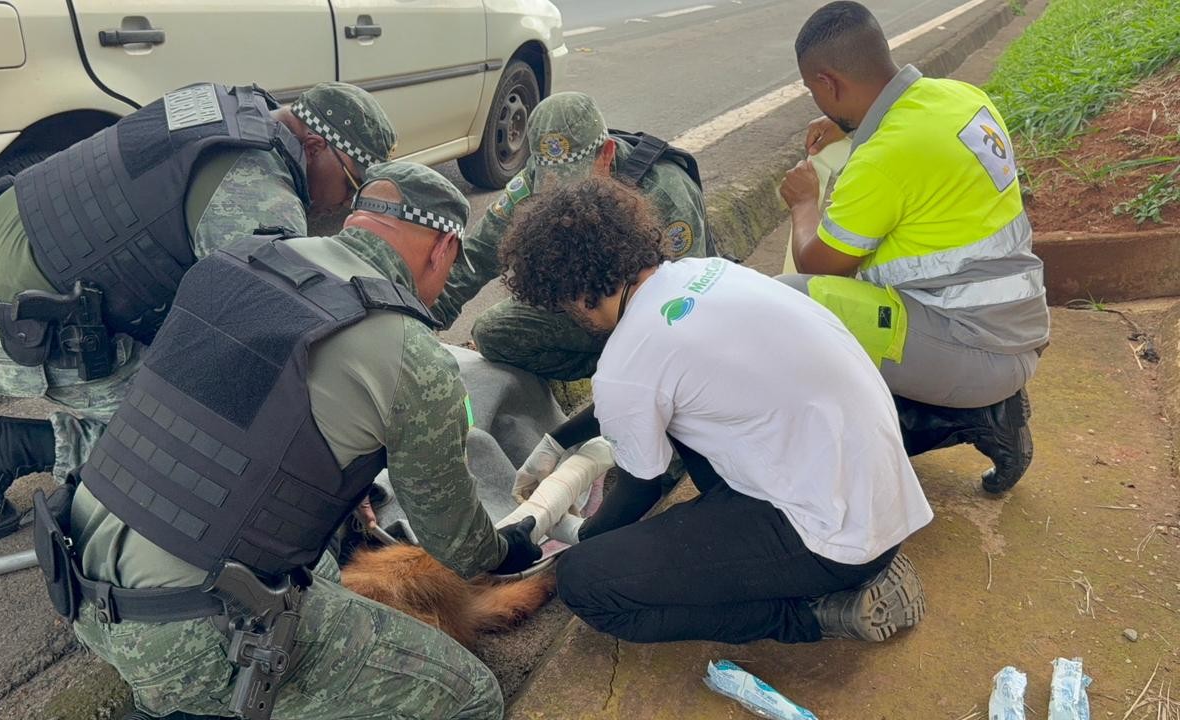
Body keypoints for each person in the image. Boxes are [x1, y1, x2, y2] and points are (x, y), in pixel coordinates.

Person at [35, 162, 541, 720]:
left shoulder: (236, 263)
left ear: (358, 221)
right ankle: (199, 696)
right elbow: (458, 544)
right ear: (443, 248)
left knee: (321, 574)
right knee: (473, 698)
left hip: (78, 582)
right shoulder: (410, 353)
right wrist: (504, 549)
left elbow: (243, 422)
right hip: (191, 632)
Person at [0, 81, 397, 540]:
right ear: (314, 146)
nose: (346, 201)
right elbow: (263, 354)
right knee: (203, 453)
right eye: (351, 183)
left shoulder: (241, 106)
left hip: (13, 241)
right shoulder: (257, 199)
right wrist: (325, 475)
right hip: (34, 322)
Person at [501, 176, 932, 645]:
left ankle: (813, 615)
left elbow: (639, 486)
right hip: (881, 502)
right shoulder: (708, 272)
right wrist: (558, 441)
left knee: (585, 581)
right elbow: (639, 394)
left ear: (574, 294)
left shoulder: (629, 360)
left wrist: (573, 533)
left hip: (834, 543)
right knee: (683, 419)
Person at [776, 1, 1048, 493]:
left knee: (791, 305)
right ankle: (953, 401)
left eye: (813, 91)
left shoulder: (882, 161)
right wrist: (850, 124)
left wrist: (804, 204)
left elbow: (820, 266)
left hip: (975, 350)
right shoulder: (960, 97)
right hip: (1017, 325)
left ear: (827, 82)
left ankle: (980, 416)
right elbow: (914, 147)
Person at [431, 91, 713, 381]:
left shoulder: (666, 193)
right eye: (550, 186)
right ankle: (607, 365)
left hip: (657, 315)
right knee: (492, 332)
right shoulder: (532, 180)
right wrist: (420, 326)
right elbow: (475, 257)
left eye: (573, 181)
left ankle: (624, 371)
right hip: (586, 309)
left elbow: (689, 303)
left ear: (607, 154)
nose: (561, 196)